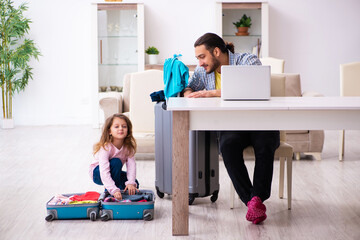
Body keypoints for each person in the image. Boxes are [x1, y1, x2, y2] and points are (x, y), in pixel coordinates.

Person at [183, 33, 280, 224]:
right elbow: (189, 87)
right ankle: (253, 201)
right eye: (198, 59)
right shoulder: (203, 71)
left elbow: (256, 86)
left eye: (202, 57)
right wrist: (188, 94)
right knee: (227, 146)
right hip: (233, 126)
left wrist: (212, 93)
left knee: (265, 143)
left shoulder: (248, 60)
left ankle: (256, 199)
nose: (200, 63)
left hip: (261, 122)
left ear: (216, 51)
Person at [89, 113, 139, 200]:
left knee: (135, 184)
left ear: (128, 130)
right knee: (116, 162)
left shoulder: (128, 147)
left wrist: (130, 183)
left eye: (124, 126)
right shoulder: (106, 147)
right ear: (109, 131)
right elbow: (104, 171)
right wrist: (113, 189)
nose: (121, 129)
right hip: (98, 173)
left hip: (114, 172)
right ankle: (109, 192)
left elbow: (131, 167)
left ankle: (118, 191)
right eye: (116, 127)